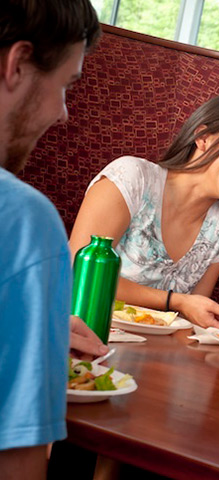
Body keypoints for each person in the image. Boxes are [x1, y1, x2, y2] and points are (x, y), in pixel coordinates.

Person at [0, 0, 105, 477]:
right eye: (65, 85)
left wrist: (28, 324)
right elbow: (17, 461)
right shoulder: (24, 221)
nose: (64, 114)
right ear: (17, 64)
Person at [69, 95, 219, 329]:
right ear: (203, 138)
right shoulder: (132, 178)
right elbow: (78, 272)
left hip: (159, 353)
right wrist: (175, 301)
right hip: (85, 333)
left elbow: (192, 314)